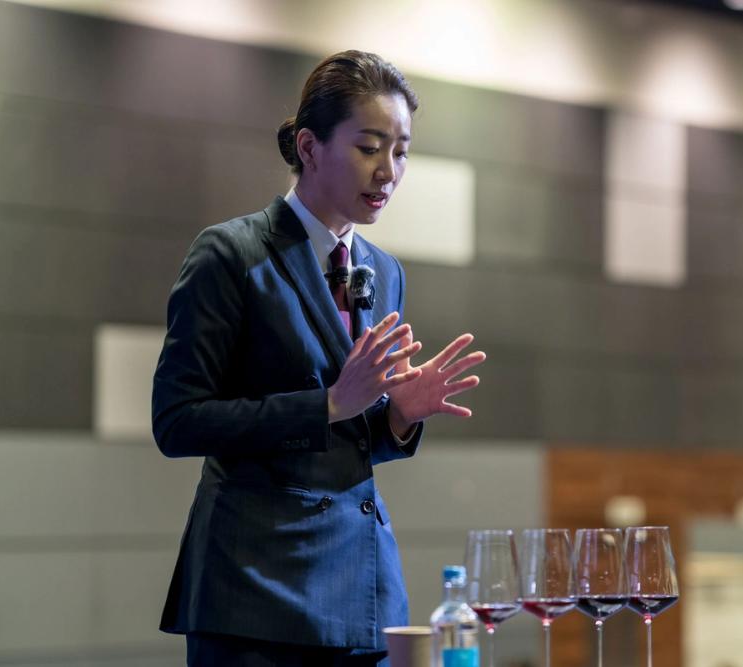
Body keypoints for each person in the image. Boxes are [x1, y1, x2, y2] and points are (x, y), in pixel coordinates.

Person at [152, 50, 485, 666]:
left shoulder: (384, 271)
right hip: (257, 591)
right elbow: (177, 422)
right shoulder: (231, 254)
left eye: (402, 151)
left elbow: (348, 443)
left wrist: (397, 418)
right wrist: (328, 404)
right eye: (369, 147)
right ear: (309, 147)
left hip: (364, 589)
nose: (388, 171)